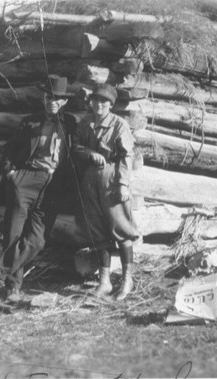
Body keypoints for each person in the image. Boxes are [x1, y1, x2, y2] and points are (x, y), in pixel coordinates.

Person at [0, 75, 77, 302]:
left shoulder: (71, 124)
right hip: (24, 181)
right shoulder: (30, 122)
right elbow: (6, 150)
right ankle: (13, 287)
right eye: (47, 97)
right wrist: (12, 174)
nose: (51, 102)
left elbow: (77, 152)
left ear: (64, 101)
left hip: (51, 185)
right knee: (13, 236)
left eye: (56, 99)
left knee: (36, 240)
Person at [72, 83, 139, 301]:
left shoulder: (119, 125)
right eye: (95, 101)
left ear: (110, 105)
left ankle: (127, 280)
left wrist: (122, 184)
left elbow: (127, 155)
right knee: (97, 231)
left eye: (104, 102)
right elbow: (75, 147)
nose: (99, 105)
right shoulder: (86, 123)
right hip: (90, 181)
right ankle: (105, 282)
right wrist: (89, 153)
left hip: (112, 180)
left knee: (121, 228)